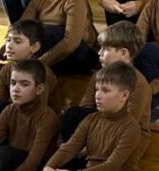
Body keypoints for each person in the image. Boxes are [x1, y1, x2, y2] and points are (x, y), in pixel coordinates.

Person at [42, 64, 142, 171]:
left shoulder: (130, 127)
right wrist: (49, 167)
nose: (98, 95)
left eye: (105, 90)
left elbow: (110, 167)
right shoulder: (91, 119)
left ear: (124, 95)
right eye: (97, 89)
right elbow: (69, 147)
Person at [61, 23, 151, 158]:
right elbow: (85, 107)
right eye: (100, 48)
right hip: (99, 126)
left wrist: (87, 149)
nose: (99, 53)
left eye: (106, 49)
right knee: (73, 114)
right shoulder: (99, 75)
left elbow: (128, 123)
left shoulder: (139, 84)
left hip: (124, 136)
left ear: (123, 53)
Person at [0, 20, 58, 138]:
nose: (9, 45)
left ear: (34, 47)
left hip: (34, 125)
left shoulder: (42, 74)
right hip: (11, 115)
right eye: (8, 40)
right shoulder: (6, 69)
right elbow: (0, 98)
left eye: (17, 41)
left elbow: (38, 113)